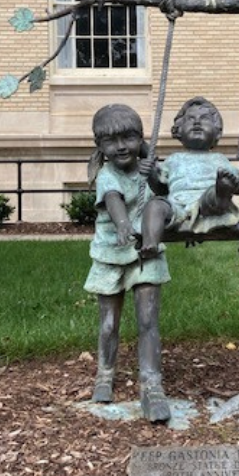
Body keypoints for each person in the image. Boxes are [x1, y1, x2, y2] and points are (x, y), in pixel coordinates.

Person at [85, 104, 172, 422]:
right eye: (111, 141)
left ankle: (151, 384)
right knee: (109, 324)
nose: (121, 147)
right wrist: (122, 225)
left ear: (140, 138)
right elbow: (113, 200)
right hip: (111, 254)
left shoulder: (148, 168)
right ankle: (105, 373)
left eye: (129, 138)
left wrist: (155, 173)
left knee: (148, 320)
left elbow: (165, 192)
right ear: (100, 146)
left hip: (146, 252)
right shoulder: (107, 174)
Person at [139, 96, 239, 260]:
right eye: (190, 119)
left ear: (217, 131)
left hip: (208, 205)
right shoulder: (173, 159)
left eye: (204, 119)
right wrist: (150, 172)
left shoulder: (219, 159)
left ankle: (222, 191)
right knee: (155, 205)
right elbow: (160, 187)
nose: (197, 123)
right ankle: (150, 243)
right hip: (177, 206)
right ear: (179, 130)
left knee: (217, 190)